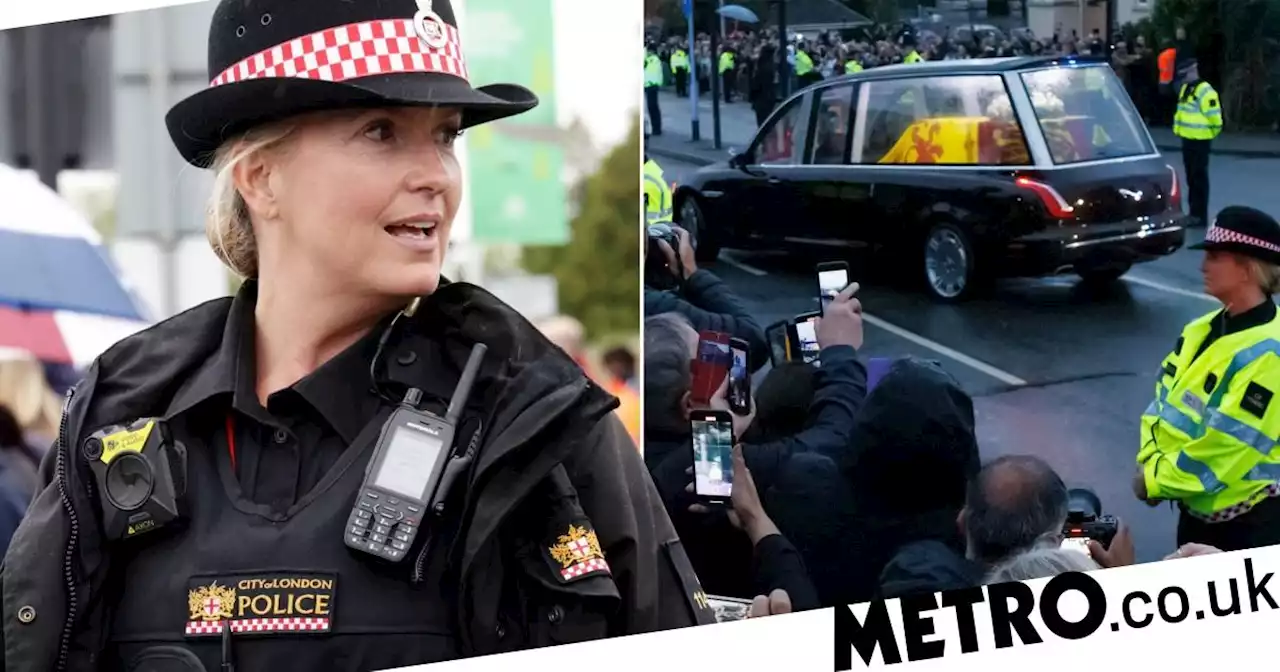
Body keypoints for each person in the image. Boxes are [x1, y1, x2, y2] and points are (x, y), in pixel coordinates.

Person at [0, 2, 713, 670]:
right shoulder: (121, 412)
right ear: (261, 177)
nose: (436, 174)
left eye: (445, 136)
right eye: (382, 132)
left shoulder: (534, 420)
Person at [1136, 206, 1280, 553]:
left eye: (1215, 257)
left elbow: (1226, 447)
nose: (1203, 266)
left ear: (1247, 268)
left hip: (1245, 527)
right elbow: (1161, 405)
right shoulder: (1200, 329)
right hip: (1193, 510)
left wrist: (1154, 480)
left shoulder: (1270, 355)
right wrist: (1151, 465)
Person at [1172, 60, 1223, 227]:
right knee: (1191, 178)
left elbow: (1215, 118)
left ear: (1193, 72)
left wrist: (1209, 134)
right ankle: (1193, 213)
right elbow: (1181, 113)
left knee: (1199, 179)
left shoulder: (1205, 91)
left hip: (1200, 141)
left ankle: (1200, 216)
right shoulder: (1186, 89)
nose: (1182, 80)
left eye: (1184, 75)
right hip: (1187, 139)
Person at [645, 41, 664, 137]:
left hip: (652, 85)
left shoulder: (653, 60)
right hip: (649, 85)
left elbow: (654, 73)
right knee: (651, 107)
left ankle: (657, 128)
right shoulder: (649, 59)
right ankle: (655, 128)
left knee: (653, 107)